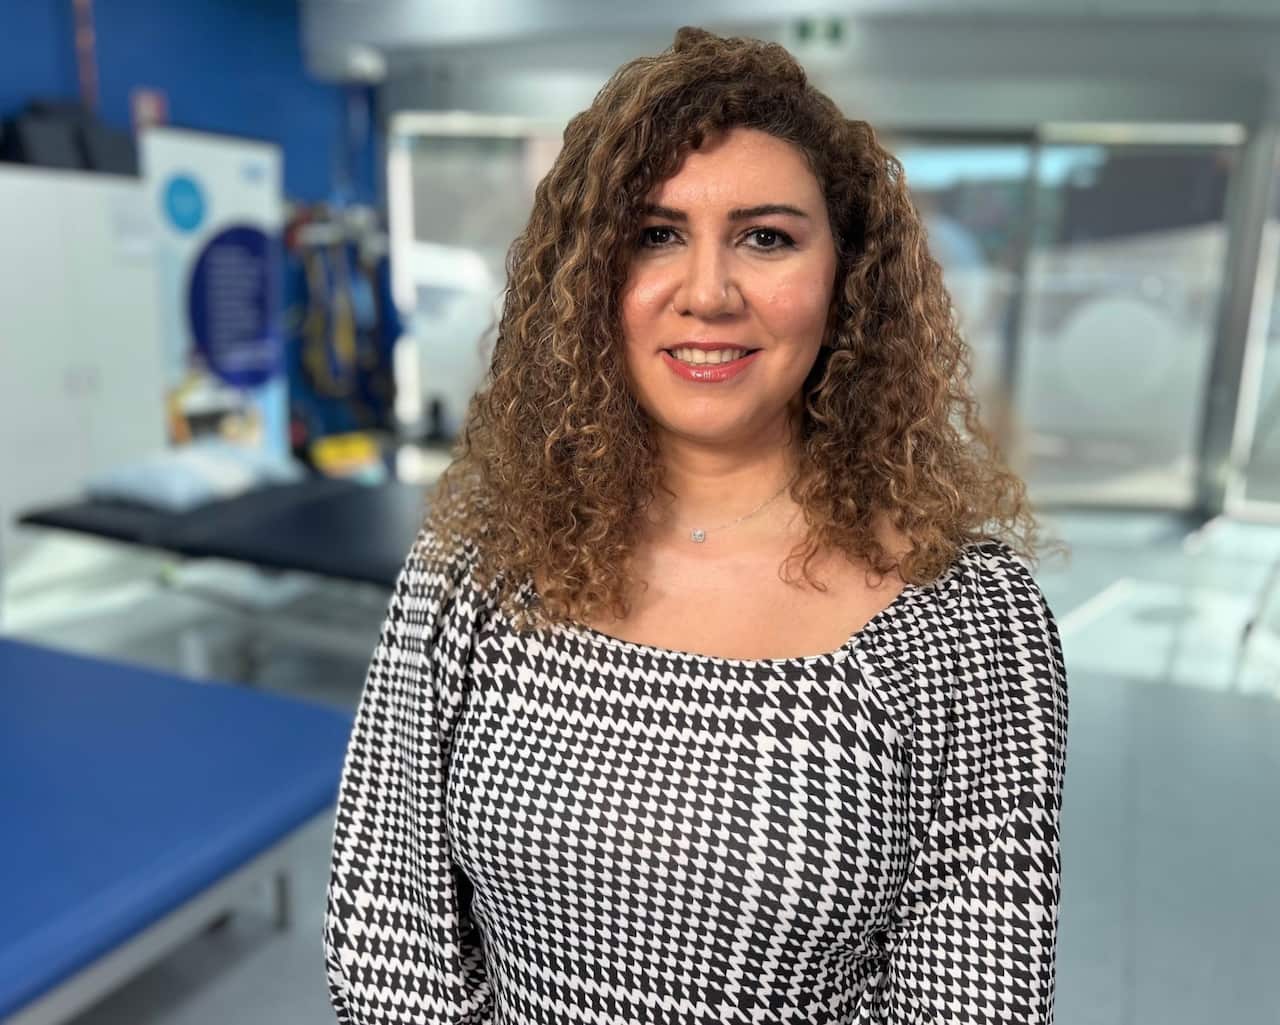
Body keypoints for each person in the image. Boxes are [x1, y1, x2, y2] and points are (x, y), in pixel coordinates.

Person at [324, 25, 1070, 1025]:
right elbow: (388, 937)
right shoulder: (473, 570)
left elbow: (972, 998)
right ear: (588, 280)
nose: (707, 292)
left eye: (765, 237)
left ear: (844, 278)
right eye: (653, 235)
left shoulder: (966, 620)